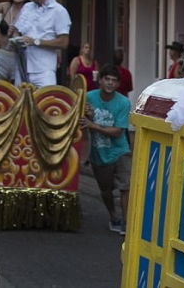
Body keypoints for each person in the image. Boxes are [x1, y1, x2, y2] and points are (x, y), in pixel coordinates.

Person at [81, 64, 131, 237]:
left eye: (114, 80)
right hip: (99, 153)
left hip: (120, 150)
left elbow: (118, 131)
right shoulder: (89, 97)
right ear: (100, 81)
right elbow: (79, 123)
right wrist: (86, 115)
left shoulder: (123, 102)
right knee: (105, 190)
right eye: (107, 79)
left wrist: (92, 124)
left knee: (126, 187)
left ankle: (127, 222)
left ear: (118, 84)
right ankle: (113, 216)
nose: (110, 83)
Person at [10, 0, 71, 88]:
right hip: (22, 66)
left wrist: (36, 42)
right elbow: (17, 31)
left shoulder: (59, 11)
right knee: (19, 103)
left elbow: (63, 42)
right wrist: (15, 40)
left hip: (44, 70)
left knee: (45, 102)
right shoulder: (27, 7)